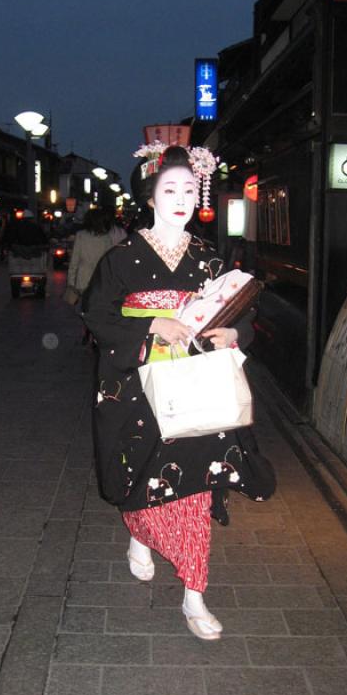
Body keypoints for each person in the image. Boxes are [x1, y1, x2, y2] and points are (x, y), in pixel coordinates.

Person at [82, 145, 275, 641]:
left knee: (193, 486)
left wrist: (235, 334)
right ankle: (139, 532)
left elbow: (237, 313)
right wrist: (150, 327)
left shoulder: (208, 257)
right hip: (139, 386)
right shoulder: (121, 259)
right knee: (141, 477)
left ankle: (195, 594)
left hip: (195, 384)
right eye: (170, 189)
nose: (181, 199)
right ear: (150, 196)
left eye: (190, 190)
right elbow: (97, 316)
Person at [66, 208, 115, 343]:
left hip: (83, 279)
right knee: (96, 309)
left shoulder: (81, 235)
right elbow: (109, 261)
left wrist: (71, 280)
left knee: (84, 308)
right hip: (99, 280)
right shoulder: (106, 238)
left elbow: (75, 260)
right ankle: (93, 332)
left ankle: (88, 329)